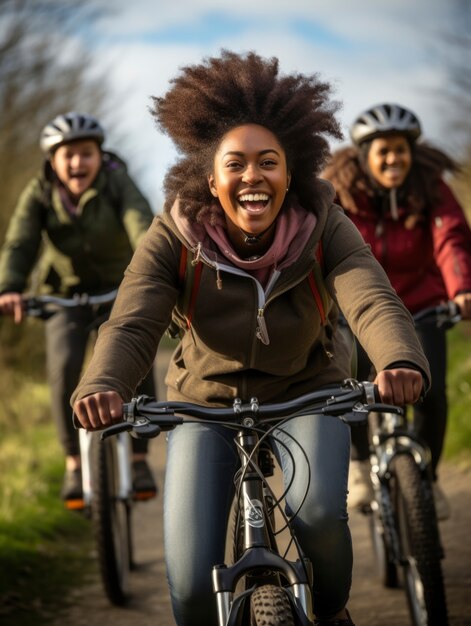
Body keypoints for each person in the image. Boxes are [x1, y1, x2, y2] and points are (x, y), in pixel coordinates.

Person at [72, 52, 430, 626]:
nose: (252, 177)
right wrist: (103, 384)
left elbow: (370, 297)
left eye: (269, 163)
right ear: (210, 179)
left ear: (292, 174)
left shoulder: (323, 224)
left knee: (316, 517)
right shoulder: (175, 233)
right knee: (190, 585)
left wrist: (397, 359)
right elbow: (133, 320)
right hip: (202, 404)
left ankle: (333, 612)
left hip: (308, 391)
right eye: (235, 164)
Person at [322, 103, 471, 520]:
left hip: (421, 307)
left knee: (433, 394)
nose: (392, 159)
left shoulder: (430, 188)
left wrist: (461, 290)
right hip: (355, 310)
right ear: (364, 156)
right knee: (349, 387)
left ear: (412, 152)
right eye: (382, 150)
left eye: (400, 149)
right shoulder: (342, 195)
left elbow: (451, 238)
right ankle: (358, 466)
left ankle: (429, 477)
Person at [0, 112, 158, 502]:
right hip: (65, 296)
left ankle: (139, 456)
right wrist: (11, 286)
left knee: (136, 356)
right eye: (67, 155)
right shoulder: (39, 192)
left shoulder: (117, 181)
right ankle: (73, 462)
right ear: (51, 161)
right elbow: (20, 241)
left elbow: (141, 224)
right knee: (63, 367)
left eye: (86, 154)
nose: (77, 163)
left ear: (99, 156)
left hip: (119, 289)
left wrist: (154, 274)